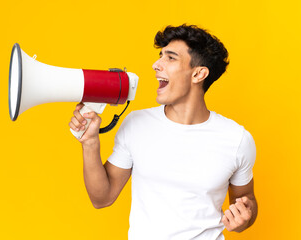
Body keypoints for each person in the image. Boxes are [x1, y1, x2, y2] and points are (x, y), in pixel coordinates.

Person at [69, 24, 257, 240]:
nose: (155, 65)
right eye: (160, 56)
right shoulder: (136, 124)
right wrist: (90, 142)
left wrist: (245, 216)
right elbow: (102, 198)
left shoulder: (237, 139)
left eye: (170, 58)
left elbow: (246, 199)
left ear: (198, 73)